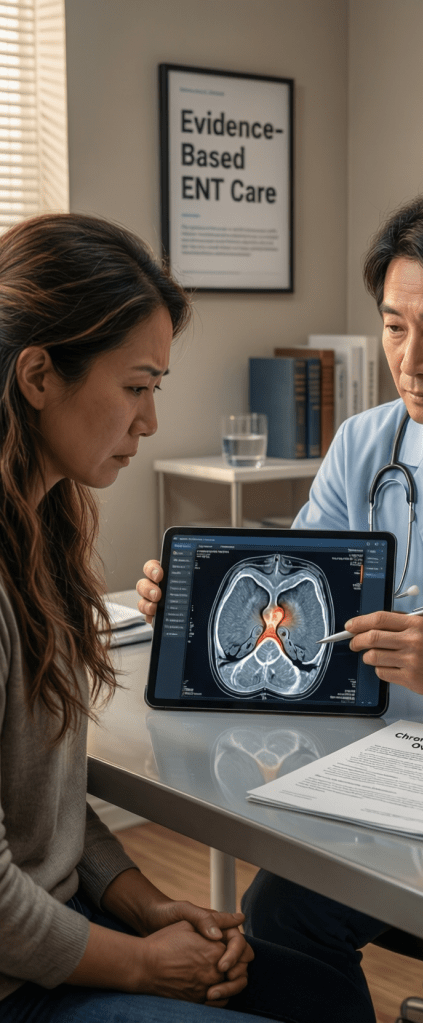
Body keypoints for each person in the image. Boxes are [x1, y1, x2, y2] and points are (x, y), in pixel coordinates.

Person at [138, 181, 423, 1022]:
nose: (408, 360)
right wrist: (201, 609)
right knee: (277, 917)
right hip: (402, 781)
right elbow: (307, 614)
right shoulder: (366, 443)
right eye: (394, 324)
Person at [0, 212, 377, 1023]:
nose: (150, 422)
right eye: (135, 387)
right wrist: (137, 964)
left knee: (318, 994)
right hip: (14, 980)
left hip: (54, 935)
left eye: (155, 390)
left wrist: (143, 904)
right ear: (37, 375)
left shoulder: (45, 544)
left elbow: (47, 814)